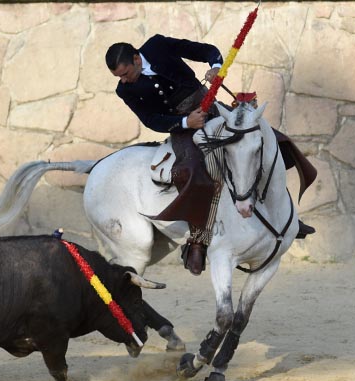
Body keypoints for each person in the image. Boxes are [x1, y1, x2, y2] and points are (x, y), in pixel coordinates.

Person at [105, 35, 316, 276]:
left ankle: (286, 218)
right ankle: (197, 241)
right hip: (183, 128)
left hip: (211, 108)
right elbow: (151, 119)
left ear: (135, 58)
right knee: (191, 171)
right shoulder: (125, 90)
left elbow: (206, 51)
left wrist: (215, 66)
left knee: (268, 142)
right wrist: (186, 121)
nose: (123, 80)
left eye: (125, 73)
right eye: (119, 77)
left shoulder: (157, 46)